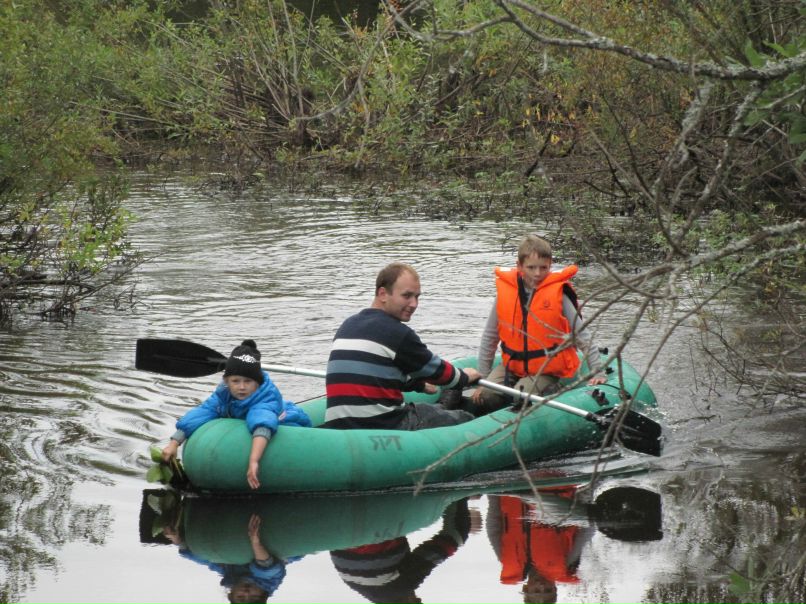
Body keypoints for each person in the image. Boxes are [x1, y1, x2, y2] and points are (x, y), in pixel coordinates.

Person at [324, 262, 481, 430]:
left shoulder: (347, 325)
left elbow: (378, 373)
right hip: (383, 424)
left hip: (338, 428)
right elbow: (438, 372)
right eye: (407, 296)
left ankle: (443, 406)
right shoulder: (397, 333)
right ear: (383, 294)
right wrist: (465, 378)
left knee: (429, 410)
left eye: (417, 297)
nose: (414, 304)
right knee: (465, 419)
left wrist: (418, 385)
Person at [469, 235, 606, 415]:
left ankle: (553, 390)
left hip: (545, 369)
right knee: (486, 397)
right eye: (531, 267)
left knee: (521, 396)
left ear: (550, 265)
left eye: (543, 268)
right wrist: (484, 378)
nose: (537, 273)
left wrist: (597, 373)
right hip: (512, 365)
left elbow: (582, 336)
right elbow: (490, 336)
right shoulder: (506, 292)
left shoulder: (559, 294)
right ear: (519, 266)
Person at [161, 339, 311, 489]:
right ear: (226, 381)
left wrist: (254, 460)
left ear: (257, 383)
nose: (241, 387)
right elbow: (201, 413)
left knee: (272, 422)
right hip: (258, 416)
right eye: (235, 381)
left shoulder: (265, 399)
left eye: (248, 381)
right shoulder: (223, 395)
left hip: (288, 421)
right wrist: (174, 443)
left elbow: (262, 424)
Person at [330, 498, 472, 604]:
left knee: (457, 535)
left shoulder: (400, 585)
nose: (418, 597)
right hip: (340, 511)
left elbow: (452, 538)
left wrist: (459, 494)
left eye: (418, 602)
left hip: (376, 507)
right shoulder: (351, 581)